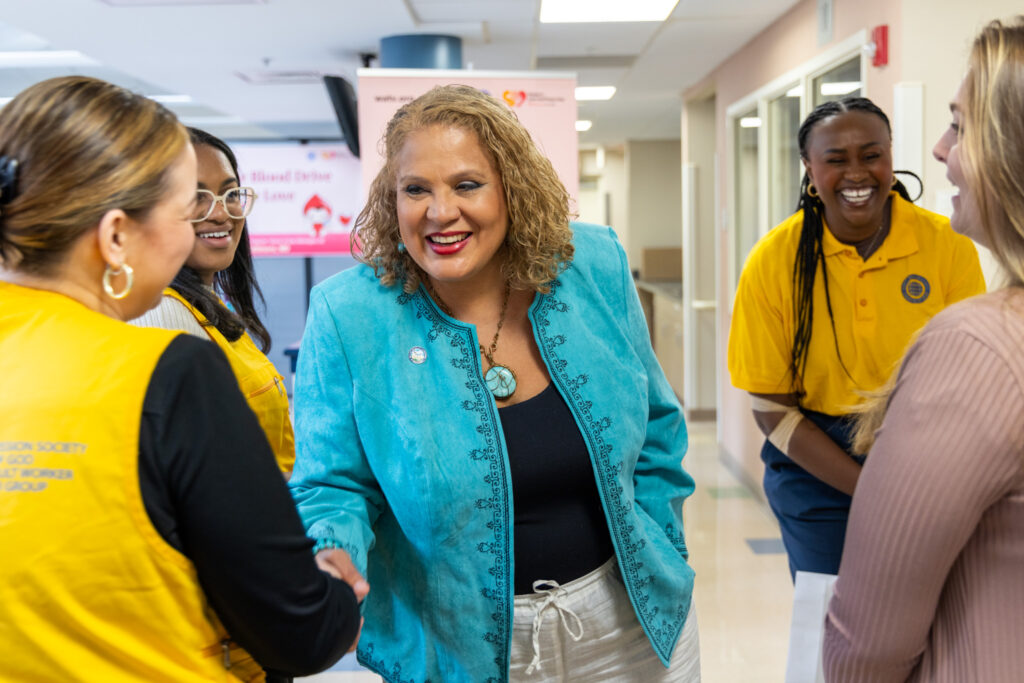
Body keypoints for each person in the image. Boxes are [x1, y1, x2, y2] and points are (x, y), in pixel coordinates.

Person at [289, 84, 699, 682]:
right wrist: (334, 552)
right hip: (458, 649)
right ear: (391, 198)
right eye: (415, 189)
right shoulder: (348, 314)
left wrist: (668, 545)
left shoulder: (591, 264)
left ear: (512, 187)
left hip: (633, 628)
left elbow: (658, 424)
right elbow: (331, 483)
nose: (439, 212)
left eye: (466, 185)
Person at [0, 76, 360, 681]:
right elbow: (300, 631)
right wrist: (336, 591)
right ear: (116, 235)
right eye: (182, 210)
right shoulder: (165, 372)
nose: (201, 224)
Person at [824, 17, 1024, 681]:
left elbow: (868, 638)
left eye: (962, 126)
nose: (939, 149)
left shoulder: (979, 347)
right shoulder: (776, 261)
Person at [727, 96, 986, 578]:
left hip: (924, 453)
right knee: (834, 619)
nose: (857, 173)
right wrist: (870, 486)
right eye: (835, 160)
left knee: (927, 612)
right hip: (816, 464)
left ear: (890, 155)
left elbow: (968, 380)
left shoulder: (945, 246)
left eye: (871, 155)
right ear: (808, 167)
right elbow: (771, 410)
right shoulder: (774, 261)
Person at [132, 127, 294, 476]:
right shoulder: (161, 313)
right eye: (195, 197)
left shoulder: (204, 305)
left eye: (229, 193)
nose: (221, 214)